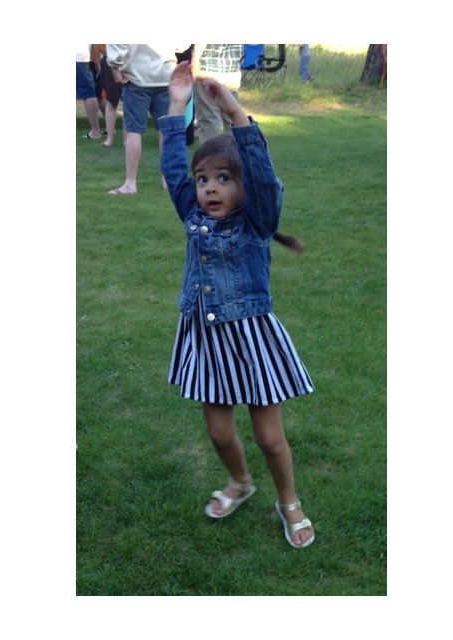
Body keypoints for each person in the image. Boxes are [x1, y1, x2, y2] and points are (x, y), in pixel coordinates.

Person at [159, 62, 316, 548]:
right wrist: (177, 107)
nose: (209, 187)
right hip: (206, 340)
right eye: (203, 179)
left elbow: (264, 178)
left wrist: (235, 113)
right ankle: (241, 482)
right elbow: (172, 169)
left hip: (251, 339)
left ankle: (288, 502)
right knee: (220, 434)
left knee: (270, 437)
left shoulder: (256, 221)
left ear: (244, 186)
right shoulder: (193, 213)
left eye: (224, 178)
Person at [106, 43, 189, 195]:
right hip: (165, 74)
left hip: (136, 75)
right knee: (165, 129)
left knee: (133, 131)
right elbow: (182, 45)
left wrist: (115, 67)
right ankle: (168, 180)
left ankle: (130, 183)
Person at [191, 44, 243, 144]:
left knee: (209, 118)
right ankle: (234, 151)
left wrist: (194, 65)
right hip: (232, 70)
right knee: (232, 118)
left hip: (208, 68)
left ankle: (212, 152)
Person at [76, 45, 102, 140]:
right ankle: (110, 128)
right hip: (96, 53)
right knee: (99, 92)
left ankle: (95, 131)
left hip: (81, 55)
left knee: (88, 93)